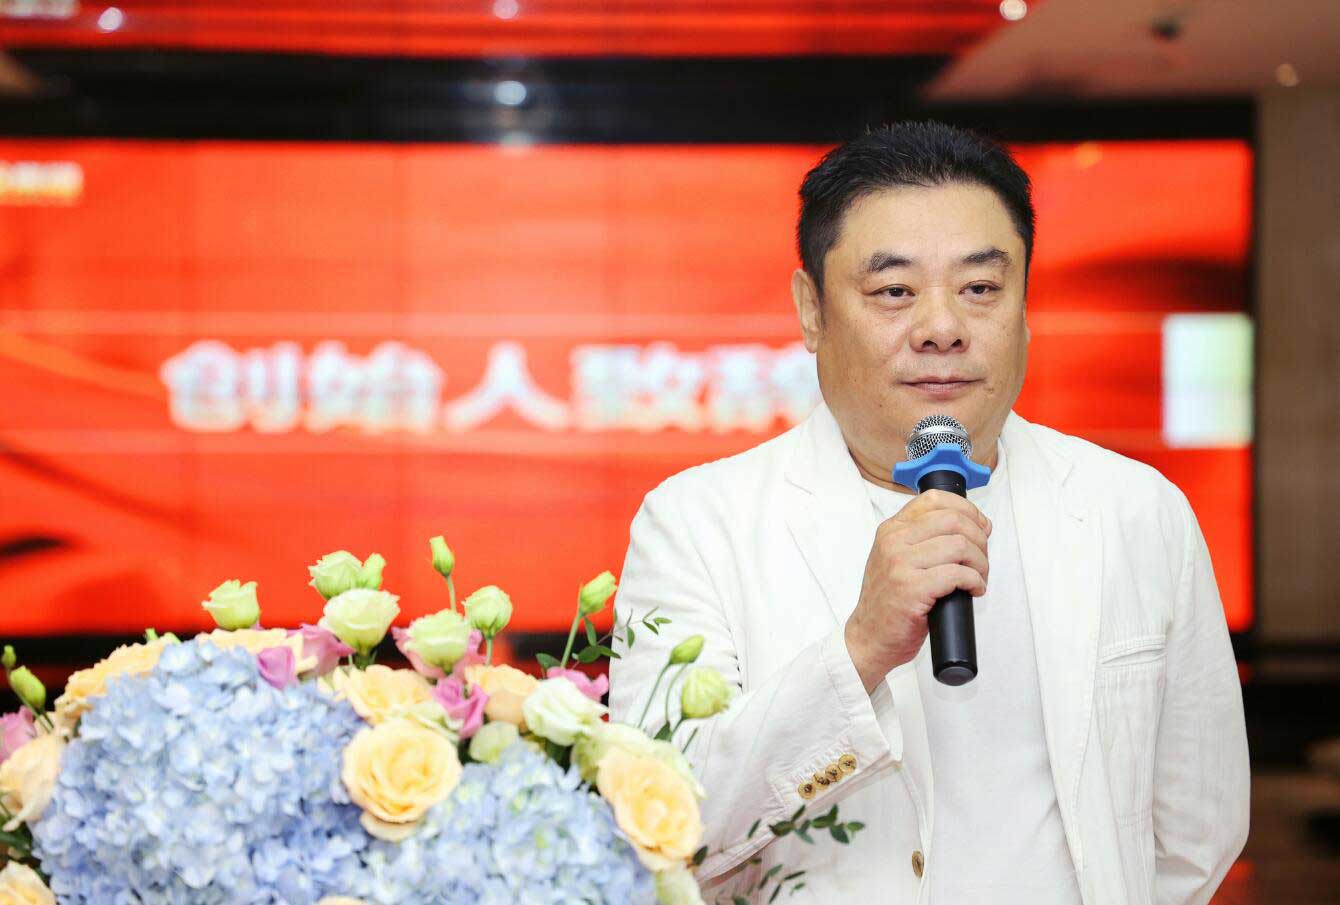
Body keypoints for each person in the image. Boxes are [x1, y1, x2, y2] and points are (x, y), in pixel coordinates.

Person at [608, 121, 1249, 904]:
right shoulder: (696, 524)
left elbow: (1197, 829)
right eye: (894, 292)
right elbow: (668, 826)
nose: (942, 329)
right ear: (812, 310)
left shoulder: (1137, 511)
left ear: (1024, 303)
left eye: (980, 288)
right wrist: (858, 650)